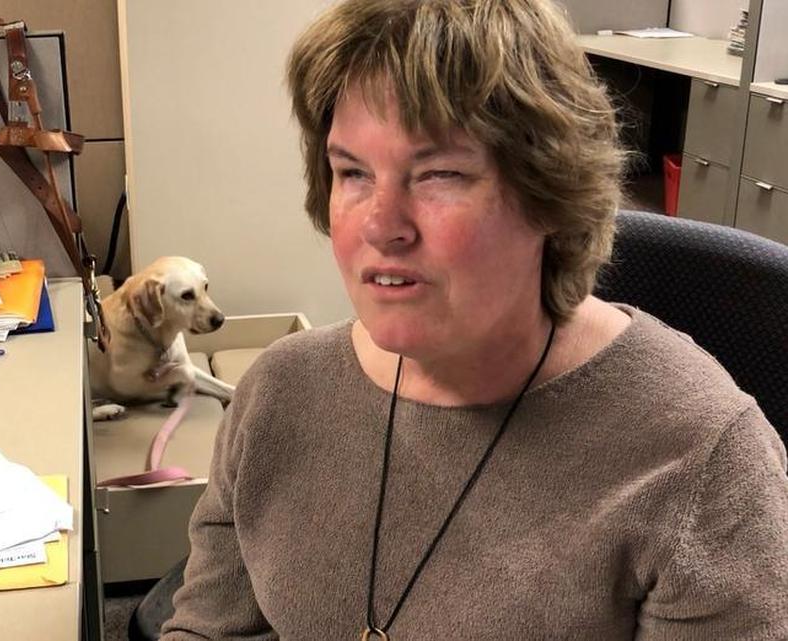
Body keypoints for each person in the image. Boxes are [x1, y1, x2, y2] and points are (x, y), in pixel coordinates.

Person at [161, 0, 788, 638]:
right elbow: (207, 628)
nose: (379, 225)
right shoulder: (278, 393)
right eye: (352, 172)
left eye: (438, 174)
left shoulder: (700, 462)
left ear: (551, 192)